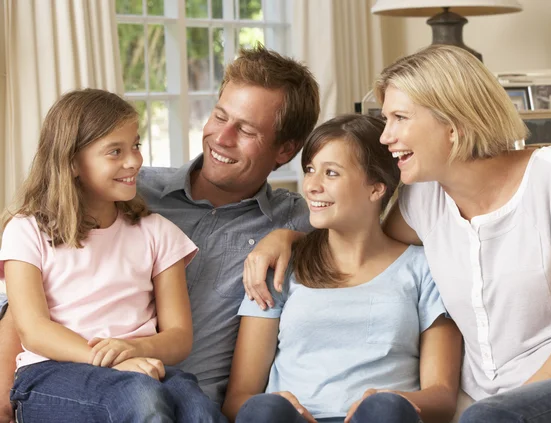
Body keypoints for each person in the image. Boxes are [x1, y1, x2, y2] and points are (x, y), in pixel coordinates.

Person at [243, 45, 551, 422]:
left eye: (400, 118)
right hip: (480, 406)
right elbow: (364, 240)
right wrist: (290, 239)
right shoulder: (423, 198)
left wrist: (512, 407)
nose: (386, 137)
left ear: (453, 121)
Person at [0, 46, 320, 421]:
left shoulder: (296, 218)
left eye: (246, 130)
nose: (222, 137)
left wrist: (292, 238)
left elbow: (366, 241)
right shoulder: (129, 191)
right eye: (219, 116)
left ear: (285, 150)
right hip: (84, 385)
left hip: (185, 394)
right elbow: (22, 312)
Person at [0, 89, 228, 422]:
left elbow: (179, 337)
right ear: (73, 162)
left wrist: (135, 351)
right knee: (141, 397)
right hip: (50, 372)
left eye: (135, 145)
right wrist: (113, 361)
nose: (134, 160)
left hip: (140, 364)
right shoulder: (26, 230)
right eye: (115, 151)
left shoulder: (157, 232)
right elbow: (34, 330)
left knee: (198, 408)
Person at [222, 114, 462, 423]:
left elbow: (442, 396)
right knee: (264, 409)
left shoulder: (424, 269)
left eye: (331, 173)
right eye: (310, 170)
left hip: (381, 420)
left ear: (376, 188)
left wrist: (390, 401)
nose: (311, 186)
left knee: (385, 410)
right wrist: (275, 405)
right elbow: (238, 399)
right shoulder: (280, 266)